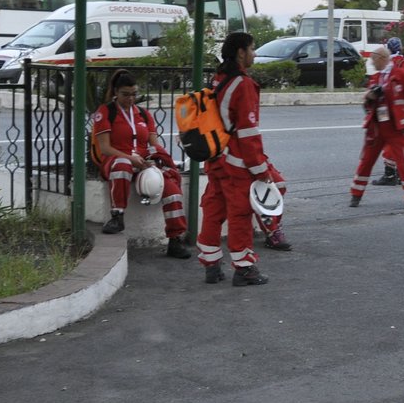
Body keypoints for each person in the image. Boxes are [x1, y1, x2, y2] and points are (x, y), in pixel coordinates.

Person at [89, 69, 189, 257]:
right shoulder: (106, 112)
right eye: (125, 95)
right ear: (116, 93)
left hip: (143, 163)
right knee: (122, 165)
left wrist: (153, 161)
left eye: (134, 94)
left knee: (172, 191)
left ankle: (175, 239)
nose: (130, 99)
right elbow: (105, 148)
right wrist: (130, 158)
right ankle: (117, 216)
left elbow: (154, 144)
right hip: (116, 161)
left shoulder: (143, 114)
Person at [198, 32, 272, 286]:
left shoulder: (219, 79)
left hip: (216, 159)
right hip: (236, 163)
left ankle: (211, 265)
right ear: (241, 52)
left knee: (213, 210)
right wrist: (260, 168)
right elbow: (248, 133)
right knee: (240, 213)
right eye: (252, 49)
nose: (255, 54)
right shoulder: (243, 84)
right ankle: (244, 269)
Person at [349, 44, 404, 210]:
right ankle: (356, 195)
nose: (372, 64)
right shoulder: (376, 78)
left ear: (382, 59)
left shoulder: (401, 74)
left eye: (374, 61)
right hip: (377, 127)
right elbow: (367, 103)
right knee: (366, 161)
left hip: (396, 128)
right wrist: (369, 96)